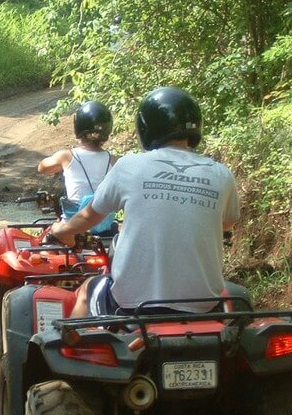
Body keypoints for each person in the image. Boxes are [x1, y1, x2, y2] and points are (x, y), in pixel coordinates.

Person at [49, 87, 240, 317]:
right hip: (204, 305)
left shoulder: (130, 166)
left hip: (134, 306)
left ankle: (73, 349)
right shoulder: (221, 174)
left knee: (89, 289)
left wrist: (63, 230)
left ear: (145, 128)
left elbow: (89, 217)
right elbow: (226, 225)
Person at [38, 100, 118, 234]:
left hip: (73, 227)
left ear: (78, 128)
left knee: (48, 238)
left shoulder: (66, 156)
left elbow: (42, 168)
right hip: (105, 227)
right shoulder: (114, 160)